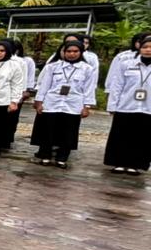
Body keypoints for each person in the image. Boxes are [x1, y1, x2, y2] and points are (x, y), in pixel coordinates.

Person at [31, 40, 97, 169]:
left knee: (68, 132)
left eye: (75, 51)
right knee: (48, 130)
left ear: (81, 52)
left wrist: (87, 106)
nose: (72, 54)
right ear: (64, 52)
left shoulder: (87, 69)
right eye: (69, 51)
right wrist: (39, 102)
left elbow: (89, 89)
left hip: (73, 104)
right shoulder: (53, 67)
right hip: (52, 102)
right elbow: (45, 85)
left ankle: (62, 158)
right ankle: (45, 155)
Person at [103, 35, 151, 174]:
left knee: (142, 138)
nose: (148, 50)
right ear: (139, 48)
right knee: (121, 136)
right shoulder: (126, 64)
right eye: (145, 47)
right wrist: (112, 106)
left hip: (148, 109)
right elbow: (117, 86)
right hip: (126, 106)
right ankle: (118, 163)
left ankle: (135, 165)